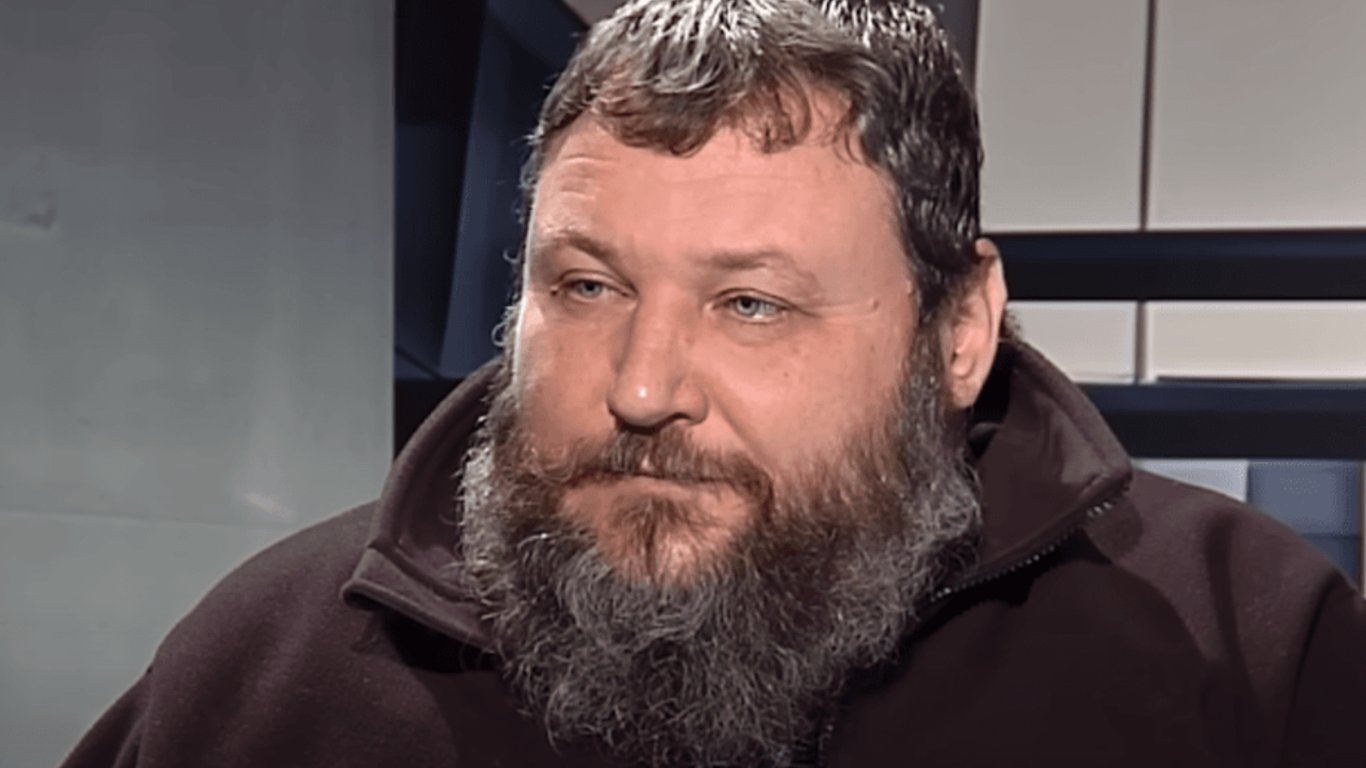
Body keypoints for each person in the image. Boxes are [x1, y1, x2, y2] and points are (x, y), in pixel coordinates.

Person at [63, 1, 1366, 766]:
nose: (642, 388)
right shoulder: (269, 670)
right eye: (588, 288)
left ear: (958, 329)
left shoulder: (1241, 647)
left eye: (751, 304)